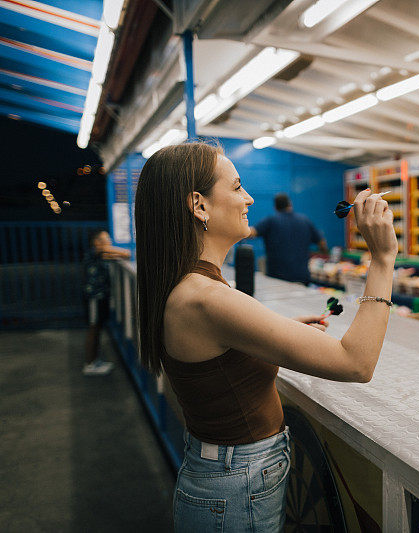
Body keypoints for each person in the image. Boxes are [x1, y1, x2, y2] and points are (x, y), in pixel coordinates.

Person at [134, 142, 396, 532]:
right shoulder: (206, 299)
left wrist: (274, 334)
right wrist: (383, 258)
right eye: (237, 187)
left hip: (226, 478)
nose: (249, 198)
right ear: (199, 206)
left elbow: (220, 358)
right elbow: (356, 363)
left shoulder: (191, 288)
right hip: (235, 487)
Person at [247, 193, 328, 283]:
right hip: (302, 276)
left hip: (277, 278)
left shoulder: (271, 221)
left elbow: (251, 232)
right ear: (290, 204)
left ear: (275, 207)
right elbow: (322, 243)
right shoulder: (305, 220)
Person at [83, 229, 131, 375]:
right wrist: (117, 251)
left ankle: (94, 360)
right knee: (94, 328)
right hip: (94, 297)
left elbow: (119, 254)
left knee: (97, 327)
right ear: (96, 242)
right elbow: (126, 253)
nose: (109, 242)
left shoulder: (101, 253)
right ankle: (90, 364)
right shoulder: (94, 252)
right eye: (105, 240)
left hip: (101, 296)